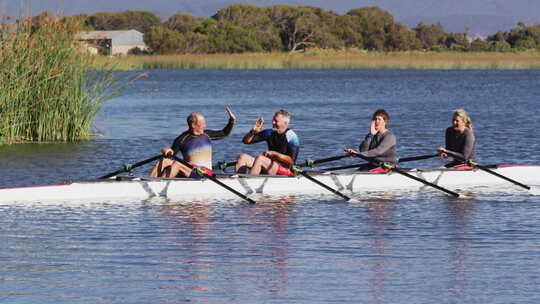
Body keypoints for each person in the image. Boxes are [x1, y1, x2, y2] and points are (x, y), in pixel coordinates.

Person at [150, 107, 236, 178]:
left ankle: (161, 183)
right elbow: (171, 155)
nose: (205, 126)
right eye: (202, 123)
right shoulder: (181, 139)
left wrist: (232, 120)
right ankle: (150, 181)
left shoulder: (207, 135)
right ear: (193, 125)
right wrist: (165, 151)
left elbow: (224, 133)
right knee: (164, 160)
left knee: (178, 163)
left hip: (205, 173)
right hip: (189, 171)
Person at [235, 109, 300, 176]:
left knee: (260, 159)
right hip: (269, 165)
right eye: (273, 120)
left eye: (276, 121)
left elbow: (291, 161)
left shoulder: (292, 137)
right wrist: (253, 132)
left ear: (285, 123)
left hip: (286, 170)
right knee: (242, 157)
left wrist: (274, 154)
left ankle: (250, 182)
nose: (273, 123)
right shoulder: (269, 132)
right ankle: (239, 182)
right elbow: (246, 141)